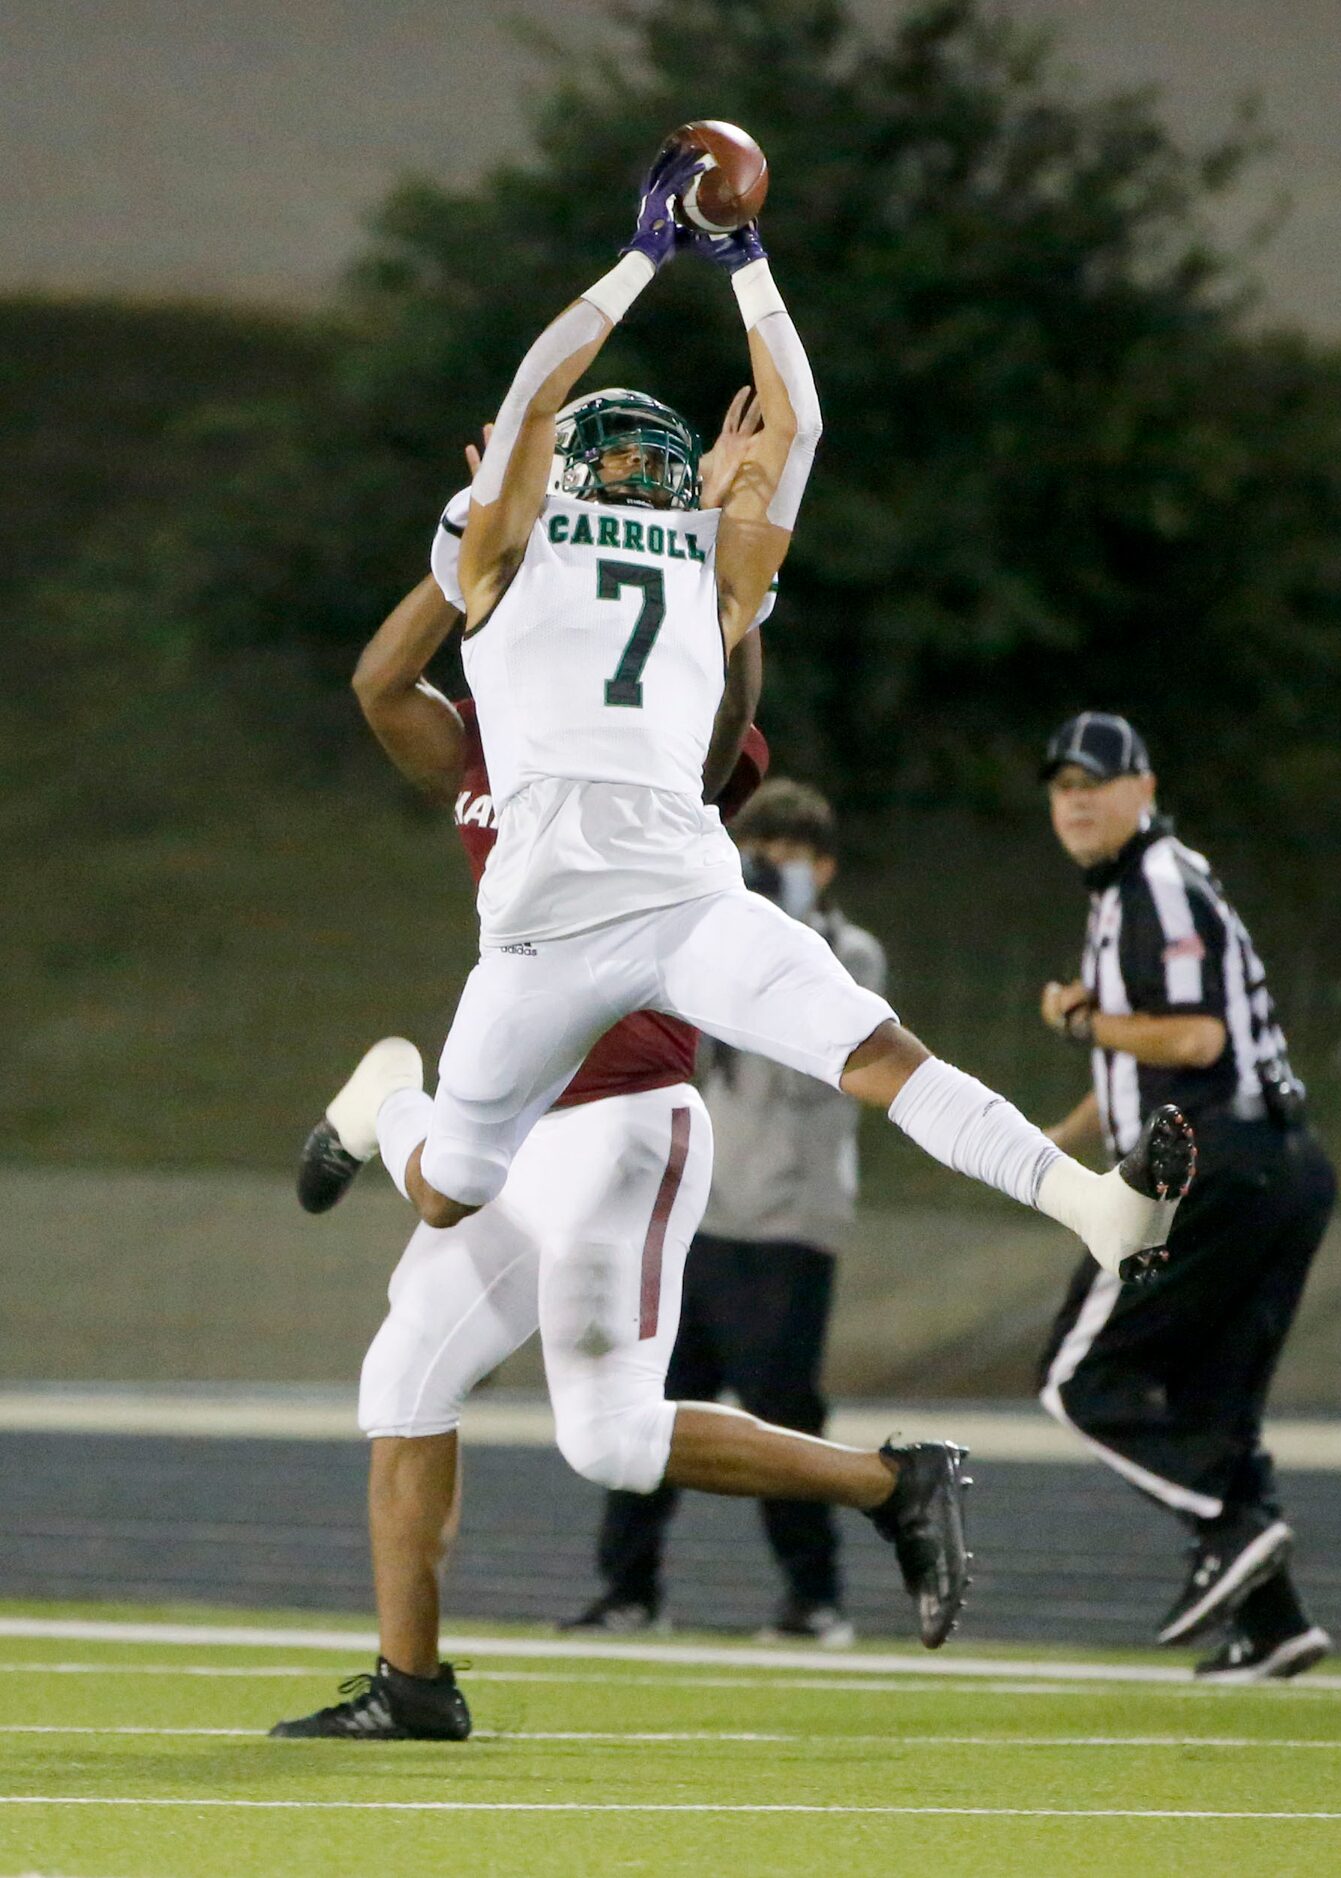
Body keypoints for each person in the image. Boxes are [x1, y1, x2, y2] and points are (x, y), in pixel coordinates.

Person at [296, 140, 1194, 1666]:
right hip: (615, 920)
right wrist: (742, 267)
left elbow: (529, 395)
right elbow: (799, 417)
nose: (650, 474)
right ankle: (391, 1104)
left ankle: (1100, 1207)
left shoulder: (505, 542)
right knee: (510, 1168)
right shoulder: (691, 561)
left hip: (609, 914)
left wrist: (648, 256)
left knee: (845, 1060)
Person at [273, 404, 770, 1740]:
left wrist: (721, 571)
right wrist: (471, 545)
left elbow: (721, 735)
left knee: (606, 1427)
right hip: (515, 1105)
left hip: (616, 1099)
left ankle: (386, 1101)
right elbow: (381, 685)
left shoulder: (652, 719)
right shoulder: (490, 732)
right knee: (402, 1372)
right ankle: (412, 1686)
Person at [1037, 712, 1336, 1682]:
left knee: (1076, 1380)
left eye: (1096, 780)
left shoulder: (1154, 884)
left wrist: (1085, 1017)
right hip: (1277, 1163)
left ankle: (1231, 1524)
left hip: (1211, 1155)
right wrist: (1062, 1134)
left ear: (1144, 788)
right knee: (1216, 1410)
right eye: (1061, 784)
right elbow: (1154, 1048)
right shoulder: (1145, 885)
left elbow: (1193, 1040)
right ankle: (1276, 1621)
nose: (1075, 798)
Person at [567, 779, 885, 1645]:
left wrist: (774, 937)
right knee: (656, 1399)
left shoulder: (850, 954)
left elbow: (802, 1060)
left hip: (789, 1225)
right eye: (758, 853)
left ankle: (813, 1599)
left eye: (787, 857)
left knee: (784, 1410)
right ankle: (630, 1591)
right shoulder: (710, 942)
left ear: (824, 867)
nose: (769, 869)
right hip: (704, 1217)